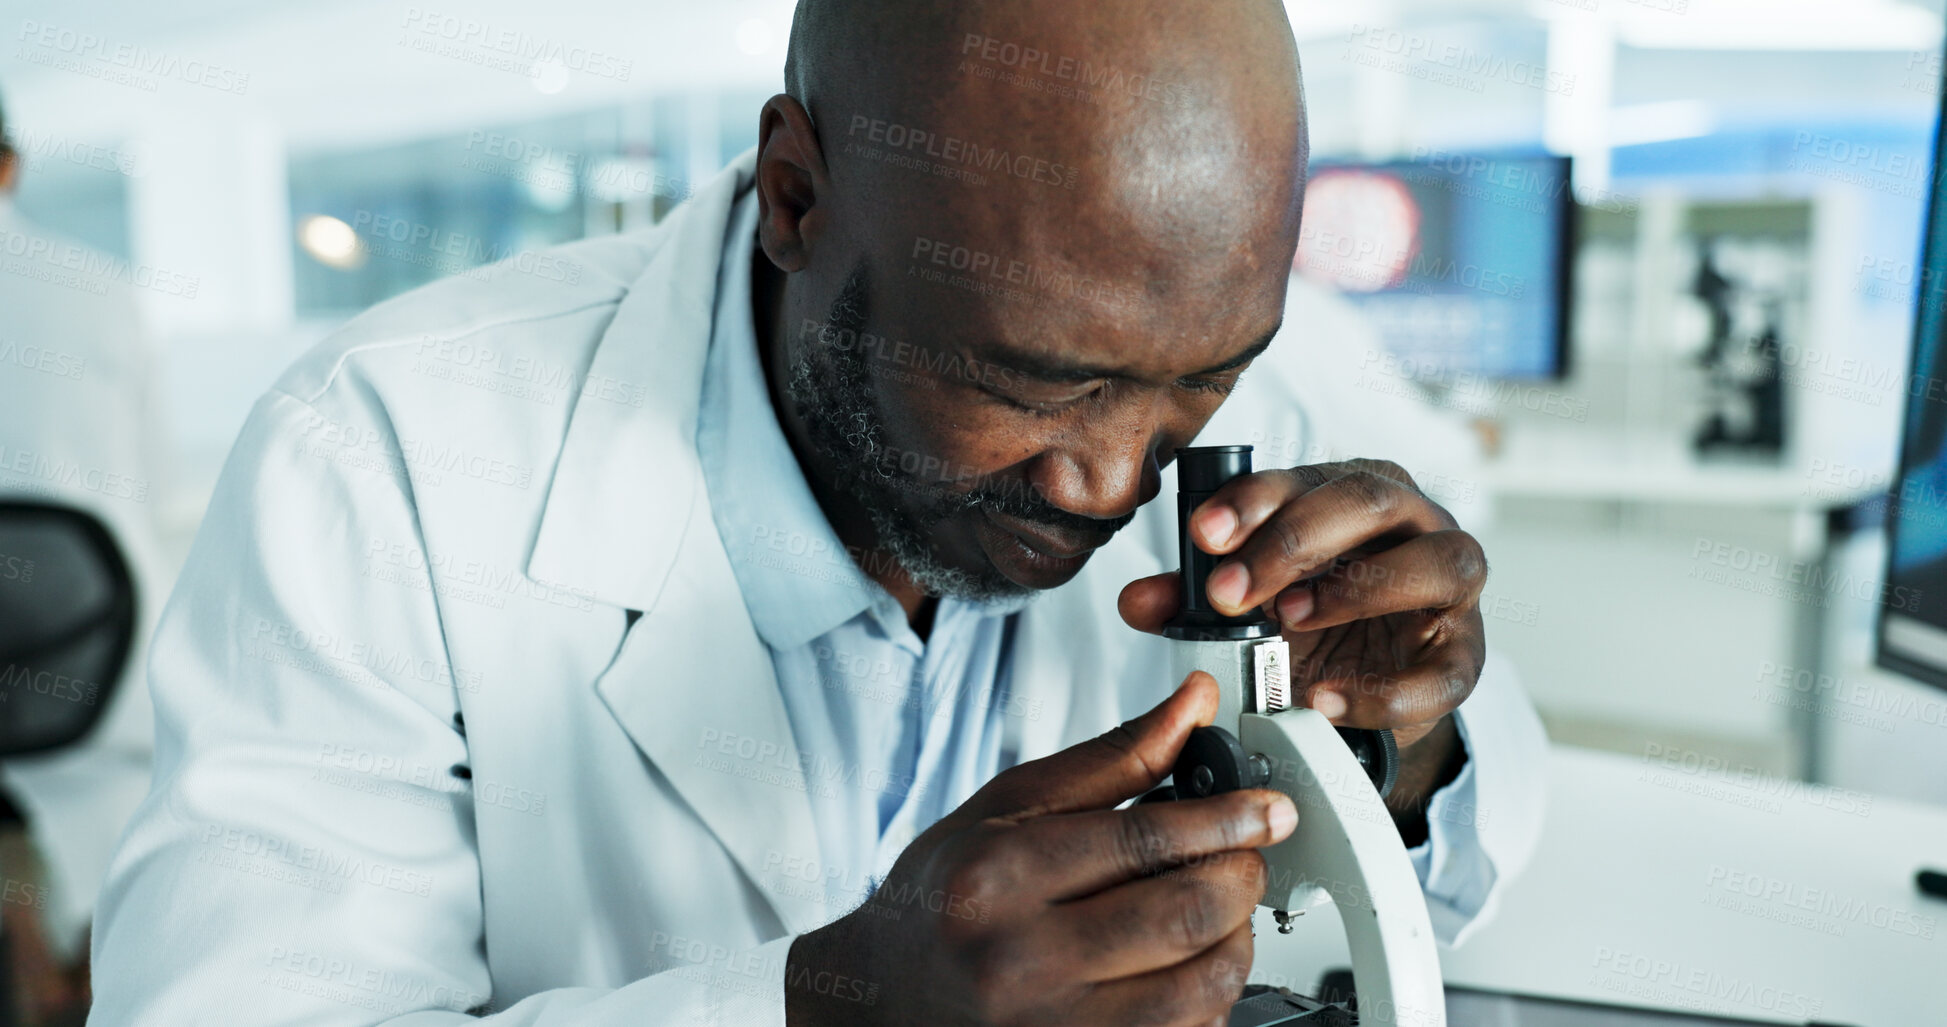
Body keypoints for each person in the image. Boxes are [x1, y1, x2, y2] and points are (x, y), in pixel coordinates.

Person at [90, 1, 1545, 1023]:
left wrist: (1391, 754)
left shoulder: (1248, 431)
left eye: (1197, 377)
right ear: (796, 193)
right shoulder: (384, 457)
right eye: (1017, 377)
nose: (1111, 481)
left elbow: (1381, 922)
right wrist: (816, 1007)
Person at [0, 89, 165, 1024]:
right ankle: (82, 967)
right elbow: (141, 488)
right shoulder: (104, 294)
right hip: (92, 684)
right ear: (10, 165)